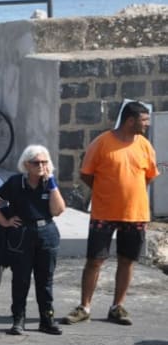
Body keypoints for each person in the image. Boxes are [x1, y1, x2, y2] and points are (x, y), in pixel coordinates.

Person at [64, 101, 159, 326]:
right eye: (144, 121)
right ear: (130, 121)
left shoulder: (145, 146)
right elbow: (86, 174)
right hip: (103, 213)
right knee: (95, 261)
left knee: (127, 261)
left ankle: (117, 307)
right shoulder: (102, 143)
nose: (147, 124)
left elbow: (149, 176)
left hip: (135, 214)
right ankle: (84, 307)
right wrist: (106, 191)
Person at [0, 145, 67, 335]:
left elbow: (58, 210)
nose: (40, 166)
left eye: (44, 162)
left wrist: (52, 184)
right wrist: (4, 222)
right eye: (36, 163)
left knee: (45, 279)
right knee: (21, 279)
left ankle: (47, 319)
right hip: (22, 234)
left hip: (46, 232)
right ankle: (18, 320)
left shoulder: (49, 183)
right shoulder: (15, 183)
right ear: (26, 165)